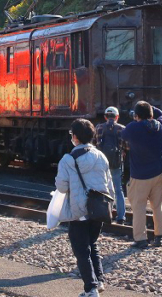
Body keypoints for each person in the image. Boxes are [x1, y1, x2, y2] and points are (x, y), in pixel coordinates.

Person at [55, 118, 115, 297]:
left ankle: (91, 288)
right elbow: (109, 185)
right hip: (99, 209)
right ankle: (99, 281)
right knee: (92, 244)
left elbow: (62, 187)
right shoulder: (101, 156)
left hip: (79, 210)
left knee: (81, 250)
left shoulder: (68, 159)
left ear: (75, 137)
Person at [121, 100, 162, 248]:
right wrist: (151, 108)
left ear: (136, 115)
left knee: (139, 206)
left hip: (139, 175)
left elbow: (123, 135)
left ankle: (141, 239)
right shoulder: (160, 125)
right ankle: (159, 237)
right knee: (158, 205)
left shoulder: (132, 128)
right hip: (159, 173)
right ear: (151, 114)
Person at [95, 106, 126, 223]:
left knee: (103, 188)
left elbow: (94, 144)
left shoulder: (98, 128)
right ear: (117, 117)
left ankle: (105, 214)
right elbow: (127, 146)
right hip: (116, 162)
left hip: (101, 163)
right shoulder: (122, 129)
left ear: (105, 116)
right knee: (118, 189)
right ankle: (121, 217)